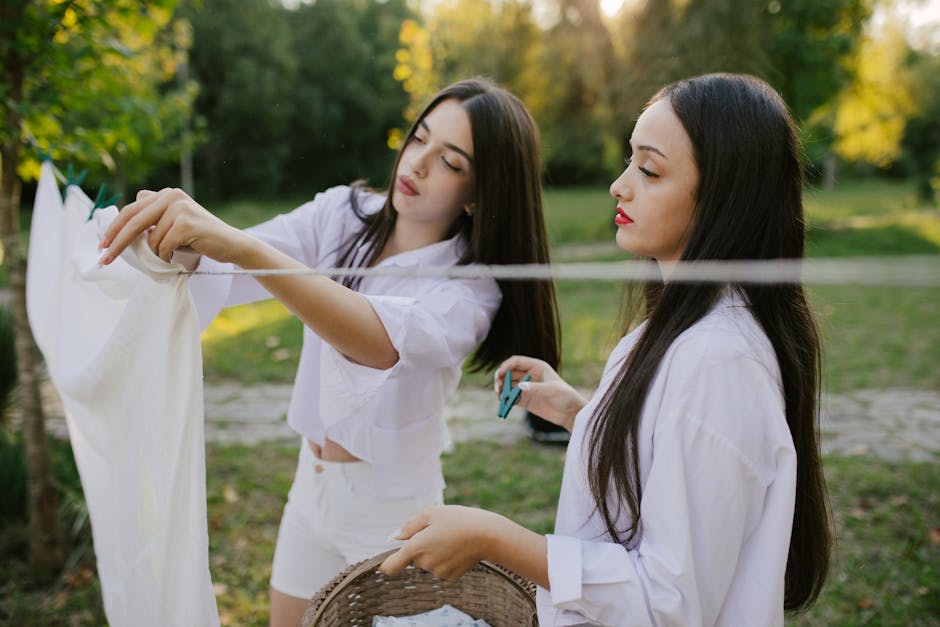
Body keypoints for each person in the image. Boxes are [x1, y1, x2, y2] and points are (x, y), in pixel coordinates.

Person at [98, 77, 561, 627]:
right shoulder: (340, 213)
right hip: (309, 487)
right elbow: (231, 267)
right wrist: (178, 241)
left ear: (481, 193)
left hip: (395, 511)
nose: (416, 164)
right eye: (419, 139)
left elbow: (374, 341)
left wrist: (239, 244)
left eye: (451, 162)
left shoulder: (471, 287)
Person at [379, 73, 832, 626]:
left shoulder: (719, 360)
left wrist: (494, 538)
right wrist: (580, 412)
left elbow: (669, 604)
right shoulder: (677, 329)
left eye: (649, 169)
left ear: (722, 197)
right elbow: (659, 469)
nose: (620, 186)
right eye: (629, 162)